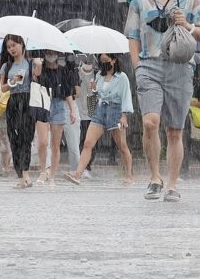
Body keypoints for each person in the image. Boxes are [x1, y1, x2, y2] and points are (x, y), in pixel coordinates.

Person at [125, 0, 200, 202]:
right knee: (150, 123)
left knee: (175, 130)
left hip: (180, 67)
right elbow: (132, 35)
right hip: (149, 66)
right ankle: (154, 177)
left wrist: (188, 25)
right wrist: (137, 66)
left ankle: (172, 184)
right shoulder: (140, 0)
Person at [63, 53, 134, 185]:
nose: (104, 64)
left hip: (115, 110)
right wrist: (95, 89)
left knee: (122, 145)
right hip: (100, 109)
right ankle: (78, 173)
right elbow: (97, 93)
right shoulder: (99, 76)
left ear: (113, 60)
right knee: (88, 143)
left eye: (106, 61)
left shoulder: (122, 77)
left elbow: (126, 96)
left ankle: (129, 175)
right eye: (101, 61)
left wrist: (124, 116)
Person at [0, 34, 41, 189]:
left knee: (26, 138)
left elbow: (37, 78)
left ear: (22, 45)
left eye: (14, 45)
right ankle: (19, 175)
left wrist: (38, 64)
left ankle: (25, 172)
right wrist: (12, 82)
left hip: (28, 101)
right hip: (13, 101)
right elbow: (2, 88)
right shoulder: (6, 66)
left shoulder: (30, 63)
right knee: (14, 139)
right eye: (9, 47)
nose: (11, 49)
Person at [36, 50, 78, 186]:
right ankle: (43, 170)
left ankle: (52, 175)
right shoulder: (40, 68)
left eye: (53, 52)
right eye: (48, 52)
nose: (50, 55)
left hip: (59, 105)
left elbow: (67, 93)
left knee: (55, 144)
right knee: (43, 142)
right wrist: (37, 65)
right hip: (43, 103)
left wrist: (72, 110)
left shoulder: (63, 71)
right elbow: (34, 82)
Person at [74, 57, 97, 178]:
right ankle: (81, 167)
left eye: (90, 61)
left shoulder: (98, 74)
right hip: (79, 112)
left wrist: (94, 88)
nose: (88, 63)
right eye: (86, 61)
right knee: (81, 140)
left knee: (92, 142)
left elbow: (99, 93)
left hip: (93, 114)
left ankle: (87, 166)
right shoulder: (76, 73)